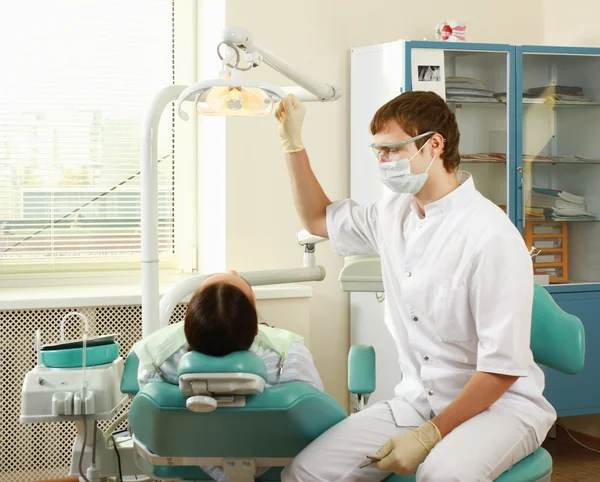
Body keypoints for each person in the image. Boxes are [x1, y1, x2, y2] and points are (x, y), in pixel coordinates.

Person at [274, 91, 556, 481]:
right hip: (418, 403)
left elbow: (501, 370)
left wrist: (430, 435)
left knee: (439, 476)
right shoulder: (392, 214)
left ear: (433, 145)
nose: (383, 162)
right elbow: (317, 219)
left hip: (501, 409)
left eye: (392, 150)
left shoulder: (491, 237)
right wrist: (293, 143)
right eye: (378, 152)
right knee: (307, 472)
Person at [132, 270, 323, 482]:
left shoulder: (156, 359)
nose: (230, 271)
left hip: (189, 465)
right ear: (256, 328)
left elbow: (156, 424)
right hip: (274, 467)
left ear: (190, 321)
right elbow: (314, 415)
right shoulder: (292, 358)